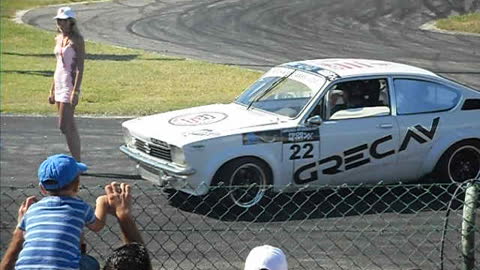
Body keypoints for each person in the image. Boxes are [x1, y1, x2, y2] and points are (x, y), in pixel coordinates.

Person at [0, 180, 152, 270]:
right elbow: (137, 259)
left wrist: (21, 233)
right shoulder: (79, 206)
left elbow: (7, 265)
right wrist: (123, 215)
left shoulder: (35, 209)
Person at [0, 154, 108, 270]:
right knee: (91, 263)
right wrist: (102, 202)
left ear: (42, 188)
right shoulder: (80, 207)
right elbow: (97, 225)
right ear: (77, 184)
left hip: (25, 267)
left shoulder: (32, 209)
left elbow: (25, 234)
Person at [50, 6, 85, 161]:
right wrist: (51, 89)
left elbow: (80, 67)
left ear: (71, 22)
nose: (60, 23)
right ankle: (77, 161)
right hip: (59, 82)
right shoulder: (58, 38)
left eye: (64, 21)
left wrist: (75, 91)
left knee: (64, 126)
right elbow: (58, 65)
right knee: (69, 126)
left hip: (69, 85)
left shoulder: (77, 40)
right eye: (59, 20)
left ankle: (76, 160)